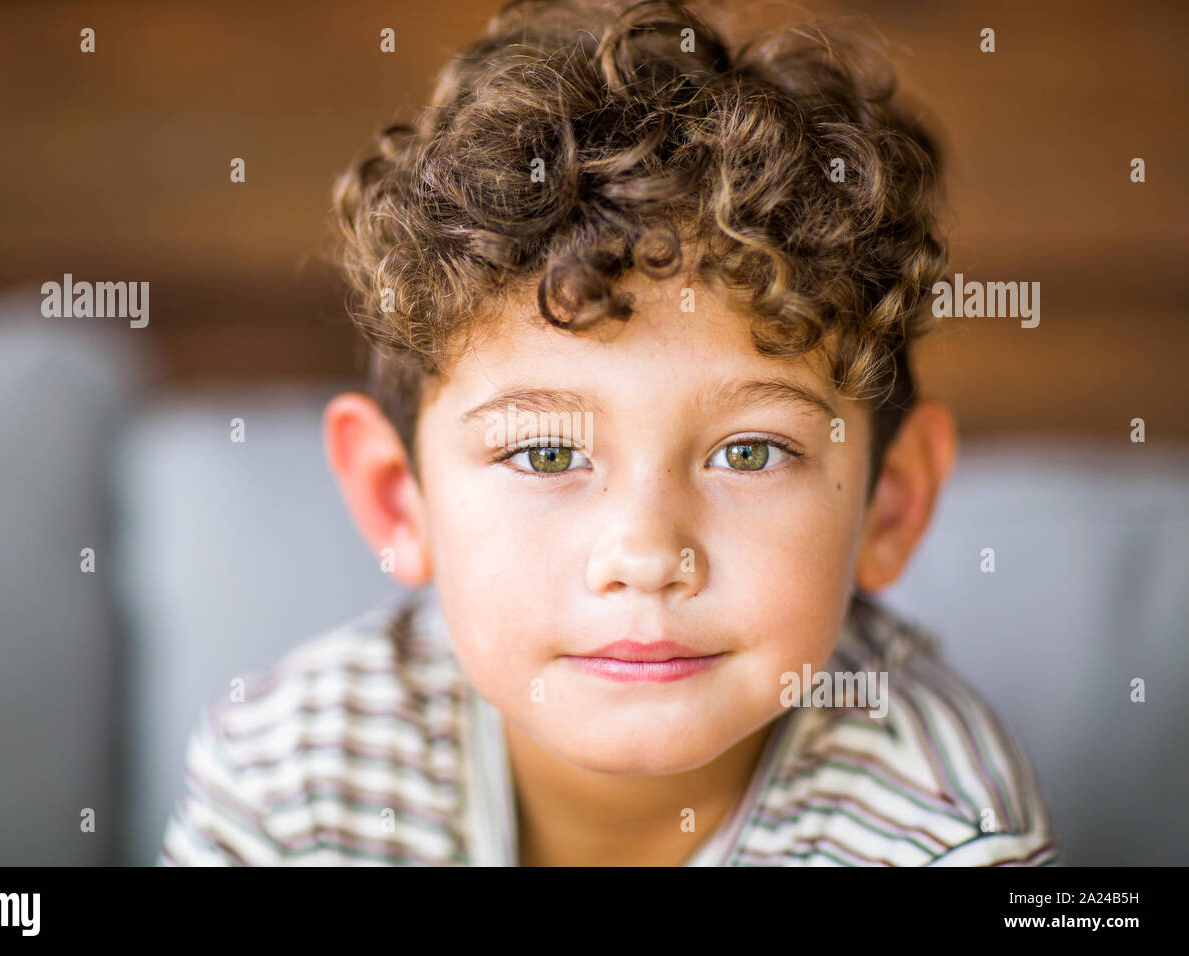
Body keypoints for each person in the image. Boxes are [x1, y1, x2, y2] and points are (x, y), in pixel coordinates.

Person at [160, 0, 1059, 867]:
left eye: (748, 452)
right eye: (546, 453)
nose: (645, 553)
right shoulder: (292, 781)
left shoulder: (942, 832)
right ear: (400, 501)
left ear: (890, 503)